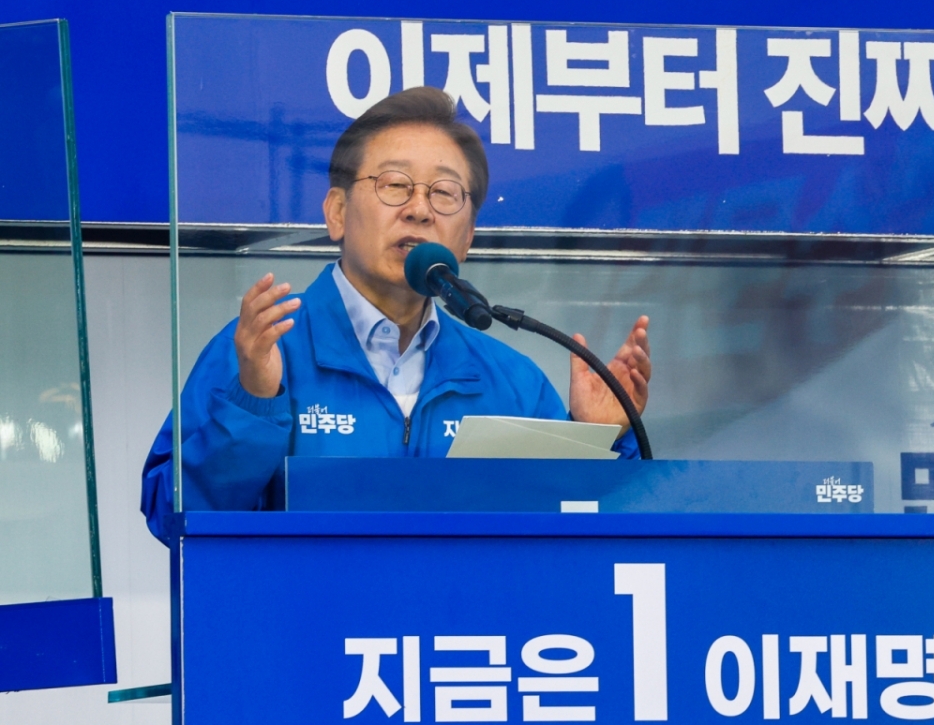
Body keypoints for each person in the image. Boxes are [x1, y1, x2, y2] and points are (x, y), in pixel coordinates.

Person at [140, 87, 651, 543]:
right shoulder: (262, 350)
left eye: (444, 192)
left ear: (468, 237)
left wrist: (598, 438)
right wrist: (253, 405)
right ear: (337, 213)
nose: (420, 210)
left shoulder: (512, 382)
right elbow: (172, 517)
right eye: (394, 184)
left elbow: (583, 545)